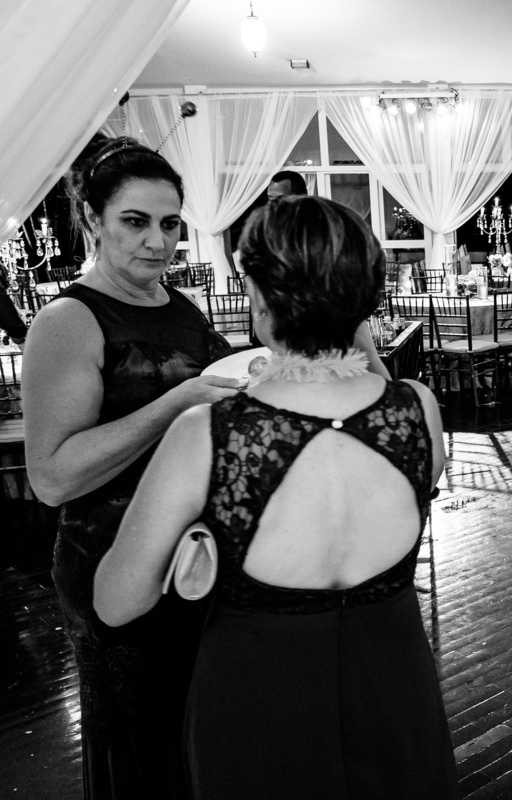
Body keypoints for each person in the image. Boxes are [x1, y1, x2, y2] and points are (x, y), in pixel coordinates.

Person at [93, 195, 460, 799]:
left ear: (261, 299)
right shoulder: (417, 408)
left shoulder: (207, 433)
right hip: (394, 682)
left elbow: (115, 603)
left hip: (259, 697)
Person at [22, 137, 241, 799]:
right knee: (143, 753)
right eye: (136, 221)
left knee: (196, 742)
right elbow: (52, 478)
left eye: (170, 224)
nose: (158, 241)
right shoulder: (69, 320)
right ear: (93, 219)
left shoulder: (180, 305)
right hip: (111, 563)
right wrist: (175, 404)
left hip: (189, 559)